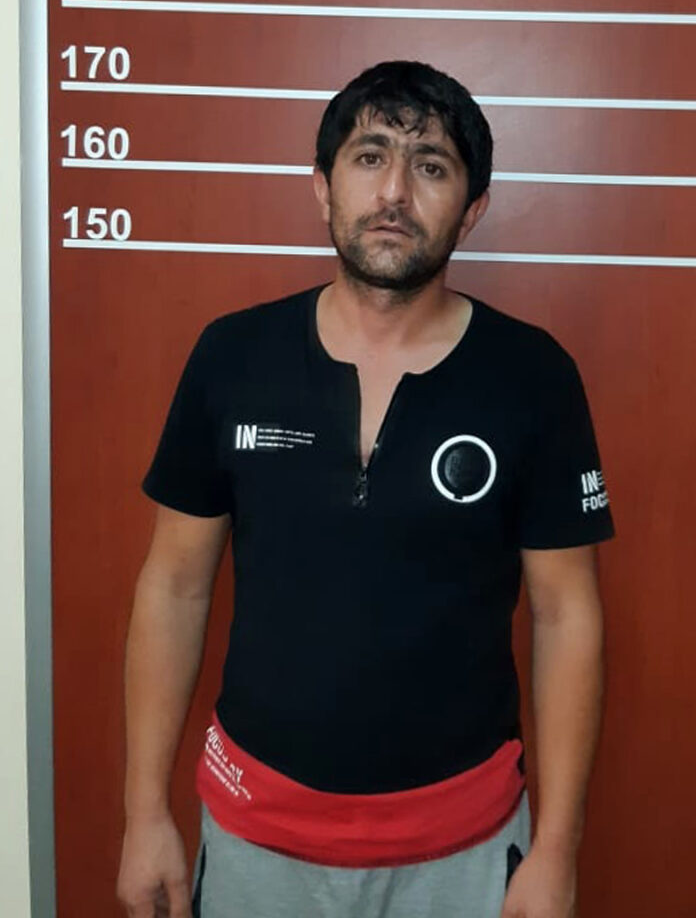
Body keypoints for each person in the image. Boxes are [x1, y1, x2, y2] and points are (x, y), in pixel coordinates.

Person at [117, 60, 614, 918]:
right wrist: (143, 813)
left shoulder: (534, 377)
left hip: (463, 848)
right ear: (323, 186)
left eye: (431, 166)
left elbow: (567, 615)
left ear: (472, 208)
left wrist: (558, 849)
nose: (394, 192)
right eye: (370, 156)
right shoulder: (233, 357)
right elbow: (173, 586)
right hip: (255, 839)